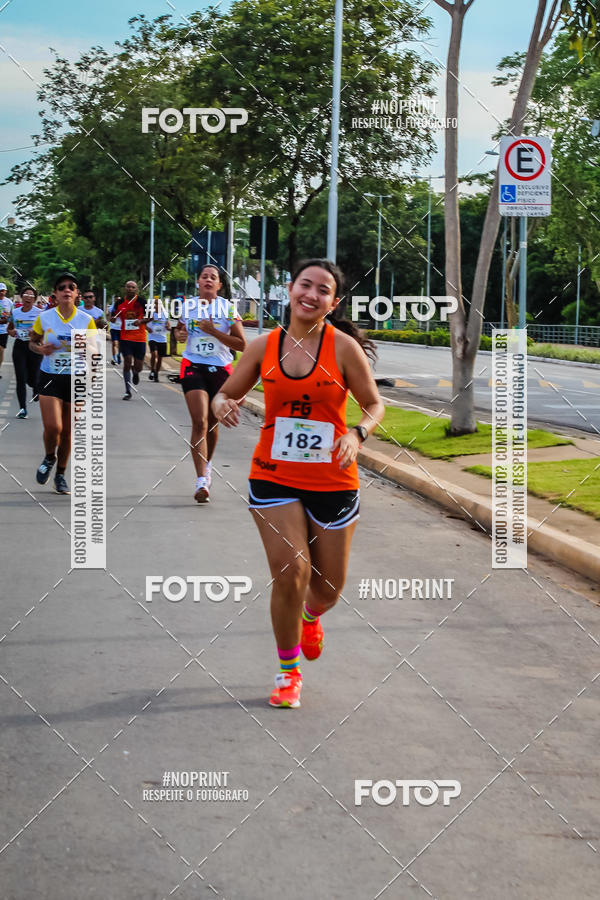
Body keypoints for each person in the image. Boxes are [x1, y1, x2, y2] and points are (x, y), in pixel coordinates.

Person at [212, 259, 385, 709]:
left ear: (334, 302)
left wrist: (356, 433)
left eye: (322, 290)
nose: (311, 294)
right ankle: (288, 672)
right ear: (290, 290)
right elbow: (227, 391)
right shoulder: (265, 345)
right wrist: (220, 403)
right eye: (304, 285)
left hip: (333, 478)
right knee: (290, 571)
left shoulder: (343, 348)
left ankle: (312, 615)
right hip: (274, 474)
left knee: (327, 588)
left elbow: (373, 405)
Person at [173, 264, 245, 503]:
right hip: (192, 365)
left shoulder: (227, 308)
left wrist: (213, 331)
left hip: (220, 369)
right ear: (198, 282)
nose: (207, 280)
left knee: (213, 425)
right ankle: (201, 479)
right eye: (204, 276)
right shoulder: (187, 306)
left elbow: (241, 344)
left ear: (219, 285)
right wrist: (179, 335)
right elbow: (179, 331)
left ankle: (208, 464)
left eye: (212, 277)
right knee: (200, 420)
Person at [29, 272, 96, 493]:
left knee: (67, 432)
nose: (67, 289)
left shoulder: (86, 320)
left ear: (77, 294)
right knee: (53, 427)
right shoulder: (45, 318)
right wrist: (41, 349)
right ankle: (49, 457)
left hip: (77, 379)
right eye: (62, 287)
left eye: (71, 287)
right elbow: (32, 343)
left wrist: (85, 348)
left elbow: (95, 352)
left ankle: (60, 474)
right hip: (50, 376)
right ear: (55, 294)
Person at [110, 280, 148, 400]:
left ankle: (136, 372)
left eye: (133, 287)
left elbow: (151, 316)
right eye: (128, 287)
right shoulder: (119, 303)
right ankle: (128, 391)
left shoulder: (142, 302)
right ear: (124, 288)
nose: (130, 289)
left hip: (140, 338)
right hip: (125, 338)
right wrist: (111, 319)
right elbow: (112, 316)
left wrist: (141, 321)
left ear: (136, 289)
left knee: (138, 366)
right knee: (127, 361)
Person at [7, 286, 42, 418]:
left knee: (34, 379)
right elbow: (9, 329)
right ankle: (22, 409)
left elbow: (44, 331)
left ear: (34, 299)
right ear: (21, 297)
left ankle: (36, 388)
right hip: (20, 346)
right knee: (20, 378)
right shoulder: (15, 312)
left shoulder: (40, 313)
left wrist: (35, 334)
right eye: (26, 295)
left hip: (34, 346)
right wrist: (13, 332)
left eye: (31, 295)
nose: (28, 297)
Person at [146, 298, 170, 382]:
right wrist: (148, 328)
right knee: (154, 354)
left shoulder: (165, 314)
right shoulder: (150, 314)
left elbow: (169, 326)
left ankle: (156, 373)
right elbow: (144, 324)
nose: (157, 305)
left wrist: (168, 327)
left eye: (158, 304)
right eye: (155, 304)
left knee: (160, 358)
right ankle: (152, 370)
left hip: (162, 338)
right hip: (152, 337)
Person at [0, 282, 14, 378]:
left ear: (5, 291)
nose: (1, 292)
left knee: (1, 351)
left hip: (4, 331)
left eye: (2, 290)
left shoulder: (9, 302)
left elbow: (12, 315)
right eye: (0, 291)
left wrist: (7, 319)